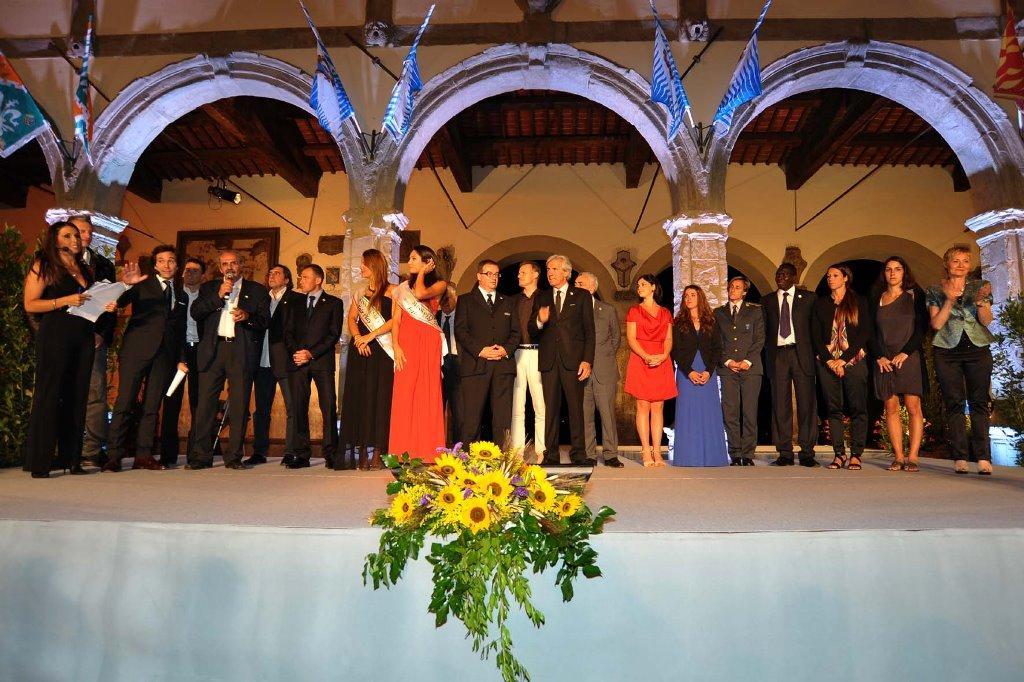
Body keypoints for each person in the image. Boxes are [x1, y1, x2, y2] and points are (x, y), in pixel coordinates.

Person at [22, 221, 111, 477]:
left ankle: (71, 460)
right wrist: (63, 300)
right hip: (55, 334)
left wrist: (106, 305)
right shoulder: (44, 264)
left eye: (76, 236)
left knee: (78, 395)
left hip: (83, 335)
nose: (75, 239)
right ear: (55, 239)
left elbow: (89, 302)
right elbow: (30, 304)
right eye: (68, 235)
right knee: (50, 395)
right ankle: (40, 462)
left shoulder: (83, 268)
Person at [103, 245, 188, 472]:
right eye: (161, 260)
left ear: (177, 265)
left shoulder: (181, 294)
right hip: (136, 351)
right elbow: (119, 302)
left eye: (171, 260)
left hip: (164, 355)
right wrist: (125, 285)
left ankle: (144, 455)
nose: (167, 265)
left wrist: (181, 358)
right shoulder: (141, 284)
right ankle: (113, 456)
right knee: (125, 402)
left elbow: (180, 330)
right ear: (155, 265)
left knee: (152, 406)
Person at [188, 249, 270, 470]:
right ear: (220, 267)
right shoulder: (209, 288)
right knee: (205, 405)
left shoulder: (257, 290)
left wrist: (248, 317)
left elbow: (265, 321)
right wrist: (218, 296)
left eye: (233, 263)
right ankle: (201, 456)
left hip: (240, 350)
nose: (229, 267)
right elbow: (196, 312)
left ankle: (233, 457)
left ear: (241, 265)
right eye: (225, 264)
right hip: (213, 350)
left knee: (239, 405)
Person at [926, 245, 996, 475]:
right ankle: (960, 457)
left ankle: (983, 457)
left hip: (977, 349)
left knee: (979, 402)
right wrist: (949, 300)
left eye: (965, 261)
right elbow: (936, 324)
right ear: (947, 264)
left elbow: (986, 321)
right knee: (954, 402)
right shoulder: (935, 289)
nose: (961, 265)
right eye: (956, 261)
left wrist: (981, 303)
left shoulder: (980, 286)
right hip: (947, 351)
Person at [530, 254, 595, 466]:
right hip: (549, 361)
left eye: (555, 269)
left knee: (575, 409)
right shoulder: (542, 297)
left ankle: (579, 454)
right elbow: (532, 330)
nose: (550, 273)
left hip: (574, 361)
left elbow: (589, 332)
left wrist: (587, 360)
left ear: (566, 272)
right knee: (551, 409)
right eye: (548, 269)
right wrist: (540, 320)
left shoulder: (582, 296)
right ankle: (550, 455)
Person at [389, 245, 448, 463]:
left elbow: (421, 294)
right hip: (406, 342)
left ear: (427, 262)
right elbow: (396, 320)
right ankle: (402, 451)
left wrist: (422, 273)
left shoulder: (440, 284)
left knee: (426, 392)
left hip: (428, 341)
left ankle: (427, 451)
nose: (410, 262)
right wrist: (396, 346)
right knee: (404, 394)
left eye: (414, 259)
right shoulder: (401, 289)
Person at [812, 264, 873, 471]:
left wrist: (844, 359)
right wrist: (830, 360)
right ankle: (839, 454)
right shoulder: (821, 303)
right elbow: (815, 335)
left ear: (845, 278)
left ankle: (856, 454)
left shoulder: (859, 301)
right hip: (827, 363)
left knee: (858, 408)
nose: (830, 278)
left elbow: (865, 332)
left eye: (835, 275)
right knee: (833, 409)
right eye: (828, 275)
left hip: (854, 361)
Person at [870, 256, 928, 472]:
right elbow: (870, 331)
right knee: (890, 406)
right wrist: (879, 356)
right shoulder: (876, 297)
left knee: (913, 406)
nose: (892, 273)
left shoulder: (914, 295)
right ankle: (898, 457)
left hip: (909, 357)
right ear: (884, 273)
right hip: (885, 359)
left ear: (905, 272)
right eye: (888, 269)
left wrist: (906, 352)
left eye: (897, 269)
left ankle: (913, 456)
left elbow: (921, 328)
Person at [339, 249, 395, 470]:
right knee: (360, 398)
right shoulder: (360, 292)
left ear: (374, 266)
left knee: (380, 399)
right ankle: (361, 449)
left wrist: (370, 336)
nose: (361, 267)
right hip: (360, 351)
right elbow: (352, 318)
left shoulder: (393, 291)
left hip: (381, 351)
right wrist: (358, 338)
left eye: (364, 264)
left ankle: (379, 451)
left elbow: (395, 321)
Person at [284, 264, 343, 468]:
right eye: (301, 277)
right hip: (298, 361)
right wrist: (298, 353)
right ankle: (301, 454)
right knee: (298, 406)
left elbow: (333, 334)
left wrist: (311, 353)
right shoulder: (296, 303)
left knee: (328, 405)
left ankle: (331, 454)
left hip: (321, 361)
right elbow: (288, 332)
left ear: (318, 280)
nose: (301, 280)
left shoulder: (334, 303)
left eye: (305, 277)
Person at [455, 259, 520, 445]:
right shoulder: (465, 300)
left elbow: (516, 332)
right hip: (475, 365)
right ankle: (468, 457)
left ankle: (503, 457)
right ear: (479, 276)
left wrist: (505, 350)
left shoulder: (508, 302)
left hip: (503, 366)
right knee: (472, 417)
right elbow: (461, 331)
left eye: (497, 274)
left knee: (503, 417)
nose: (494, 278)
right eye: (489, 274)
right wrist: (480, 351)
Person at [763, 263, 819, 467]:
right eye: (778, 274)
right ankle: (784, 452)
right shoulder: (767, 300)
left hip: (801, 354)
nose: (781, 277)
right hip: (778, 355)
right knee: (780, 404)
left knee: (807, 404)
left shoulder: (809, 298)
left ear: (794, 277)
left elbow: (815, 329)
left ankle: (807, 452)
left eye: (785, 274)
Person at [71, 215, 117, 467]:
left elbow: (112, 303)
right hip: (65, 336)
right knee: (63, 391)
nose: (86, 236)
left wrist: (102, 333)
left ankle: (92, 451)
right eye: (81, 231)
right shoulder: (56, 262)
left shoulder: (104, 264)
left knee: (96, 394)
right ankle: (64, 447)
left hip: (95, 338)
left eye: (89, 231)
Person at [670, 285, 728, 467]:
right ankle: (688, 458)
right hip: (686, 372)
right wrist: (689, 371)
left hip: (707, 371)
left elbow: (717, 348)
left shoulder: (711, 321)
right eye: (686, 295)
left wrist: (709, 371)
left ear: (700, 297)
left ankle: (712, 458)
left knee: (709, 413)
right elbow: (675, 350)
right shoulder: (678, 322)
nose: (688, 298)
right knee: (687, 414)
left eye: (692, 295)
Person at [250, 264, 301, 466]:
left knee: (292, 408)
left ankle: (290, 451)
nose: (271, 276)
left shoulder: (295, 299)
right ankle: (259, 452)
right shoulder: (261, 298)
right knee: (261, 409)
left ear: (287, 280)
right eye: (270, 273)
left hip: (285, 361)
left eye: (277, 273)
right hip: (262, 360)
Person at [624, 274, 675, 467]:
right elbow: (631, 338)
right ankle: (646, 450)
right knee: (643, 405)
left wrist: (663, 355)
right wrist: (645, 356)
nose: (639, 287)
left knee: (658, 407)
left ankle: (658, 452)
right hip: (641, 359)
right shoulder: (634, 311)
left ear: (653, 287)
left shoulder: (665, 313)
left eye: (643, 284)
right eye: (638, 285)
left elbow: (668, 338)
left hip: (661, 359)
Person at [714, 276, 765, 466]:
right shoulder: (719, 313)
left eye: (737, 287)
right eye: (731, 287)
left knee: (749, 411)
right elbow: (716, 341)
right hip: (728, 369)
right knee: (730, 412)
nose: (733, 290)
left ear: (744, 291)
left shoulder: (755, 311)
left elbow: (759, 338)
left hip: (750, 368)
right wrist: (727, 361)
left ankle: (748, 453)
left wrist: (747, 361)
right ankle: (735, 453)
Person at [160, 256, 205, 467]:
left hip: (201, 351)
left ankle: (195, 453)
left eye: (195, 271)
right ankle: (168, 454)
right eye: (187, 270)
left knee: (199, 403)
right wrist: (178, 356)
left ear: (203, 275)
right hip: (177, 352)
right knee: (171, 402)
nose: (190, 274)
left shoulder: (208, 296)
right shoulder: (174, 294)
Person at [576, 272, 623, 467]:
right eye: (575, 283)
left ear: (592, 287)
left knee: (607, 414)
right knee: (584, 415)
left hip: (604, 370)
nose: (576, 287)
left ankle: (611, 454)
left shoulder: (607, 309)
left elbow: (616, 338)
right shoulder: (572, 310)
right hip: (580, 371)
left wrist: (602, 357)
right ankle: (589, 454)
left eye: (580, 283)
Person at [511, 261, 546, 463]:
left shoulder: (545, 298)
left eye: (523, 272)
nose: (519, 275)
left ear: (535, 274)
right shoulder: (513, 300)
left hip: (538, 353)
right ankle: (517, 452)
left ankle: (541, 450)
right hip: (516, 354)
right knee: (517, 405)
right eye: (518, 272)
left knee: (539, 404)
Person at [437, 285, 461, 446]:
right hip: (439, 366)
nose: (445, 302)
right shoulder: (434, 316)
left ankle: (458, 446)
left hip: (458, 365)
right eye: (442, 298)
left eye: (448, 298)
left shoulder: (462, 317)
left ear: (456, 298)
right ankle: (438, 444)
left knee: (458, 409)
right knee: (437, 407)